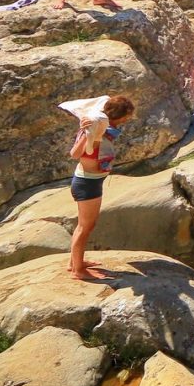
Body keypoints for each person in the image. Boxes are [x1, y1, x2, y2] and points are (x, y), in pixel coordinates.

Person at [68, 95, 136, 279]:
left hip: (92, 182)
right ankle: (78, 271)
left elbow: (103, 103)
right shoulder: (93, 129)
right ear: (119, 116)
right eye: (126, 117)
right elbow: (75, 154)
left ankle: (75, 262)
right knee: (85, 226)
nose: (126, 121)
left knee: (85, 225)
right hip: (87, 184)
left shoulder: (102, 127)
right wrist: (85, 132)